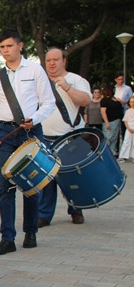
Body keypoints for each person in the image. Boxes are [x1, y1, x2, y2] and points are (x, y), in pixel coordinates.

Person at [0, 29, 55, 255]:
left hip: (30, 131)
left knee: (31, 184)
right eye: (2, 47)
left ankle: (31, 231)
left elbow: (48, 102)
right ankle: (7, 238)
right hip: (5, 131)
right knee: (5, 186)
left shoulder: (35, 69)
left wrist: (33, 119)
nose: (5, 51)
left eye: (9, 46)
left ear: (20, 45)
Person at [37, 47, 91, 227]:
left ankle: (76, 209)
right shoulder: (40, 81)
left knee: (74, 177)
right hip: (44, 137)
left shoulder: (76, 80)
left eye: (56, 60)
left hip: (71, 138)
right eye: (48, 60)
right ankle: (44, 214)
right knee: (46, 180)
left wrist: (67, 87)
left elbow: (85, 100)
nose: (52, 63)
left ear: (64, 61)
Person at [100, 85, 123, 156]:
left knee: (114, 138)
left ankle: (113, 151)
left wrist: (119, 101)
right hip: (110, 121)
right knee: (108, 137)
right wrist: (107, 122)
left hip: (117, 121)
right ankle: (106, 152)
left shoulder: (115, 99)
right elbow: (103, 111)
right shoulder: (104, 100)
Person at [118, 96, 134, 162]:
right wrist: (128, 128)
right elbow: (125, 121)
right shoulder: (128, 111)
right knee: (126, 141)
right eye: (131, 102)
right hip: (129, 128)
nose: (132, 103)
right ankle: (122, 156)